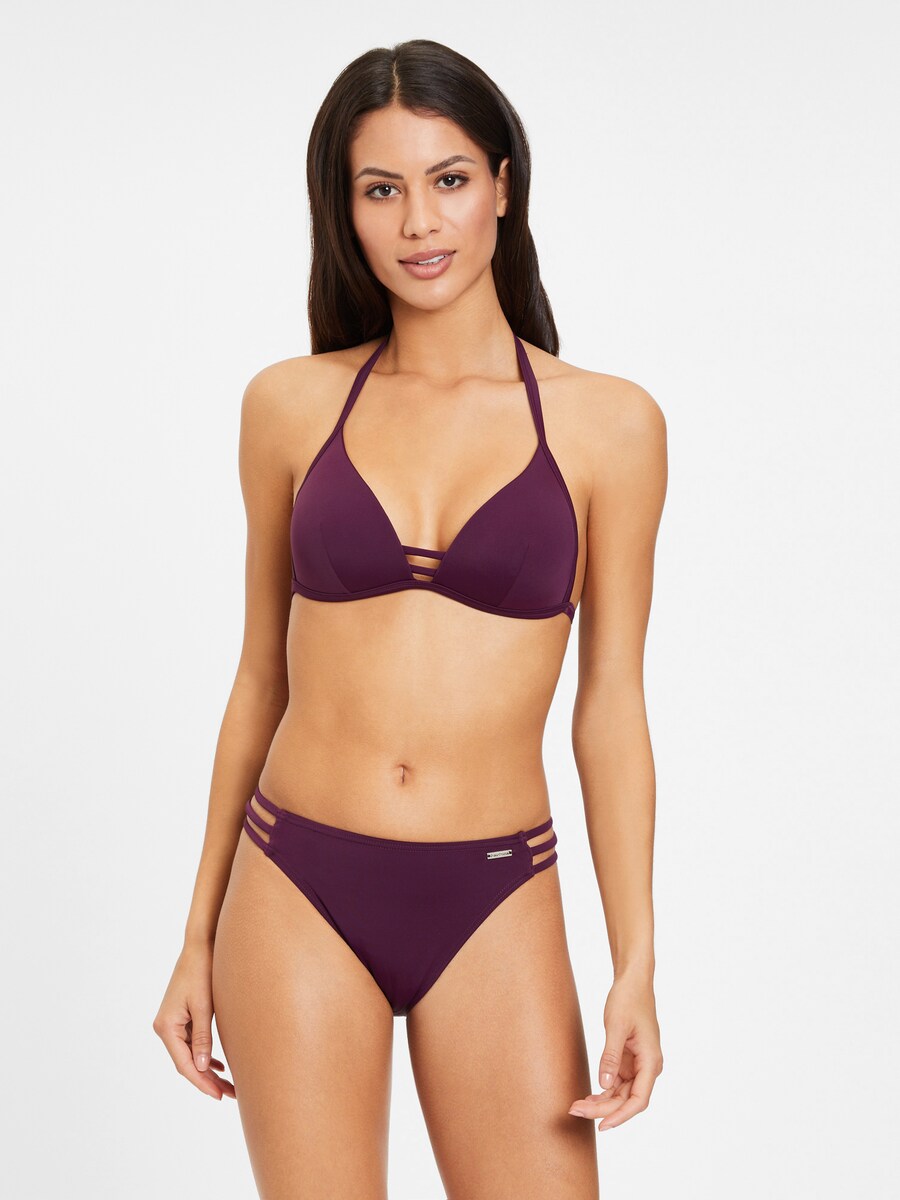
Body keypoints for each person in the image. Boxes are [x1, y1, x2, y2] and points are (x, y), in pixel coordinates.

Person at [153, 38, 667, 1199]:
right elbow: (259, 678)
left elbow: (611, 706)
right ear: (343, 210)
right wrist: (196, 936)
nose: (420, 222)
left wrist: (634, 960)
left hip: (496, 891)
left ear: (503, 185)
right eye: (380, 189)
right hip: (293, 881)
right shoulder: (290, 406)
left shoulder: (610, 427)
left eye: (448, 179)